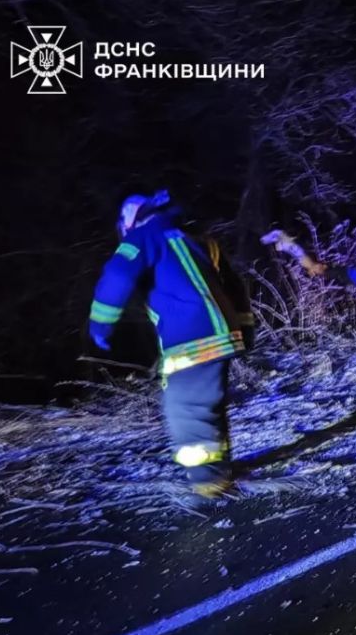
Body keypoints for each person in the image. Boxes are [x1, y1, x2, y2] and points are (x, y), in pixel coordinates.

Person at [89, 190, 253, 498]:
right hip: (223, 333)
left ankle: (209, 480)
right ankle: (220, 468)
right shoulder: (198, 239)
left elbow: (118, 275)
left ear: (130, 223)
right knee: (208, 403)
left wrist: (101, 324)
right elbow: (233, 285)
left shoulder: (143, 238)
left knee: (185, 407)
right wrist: (245, 328)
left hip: (192, 337)